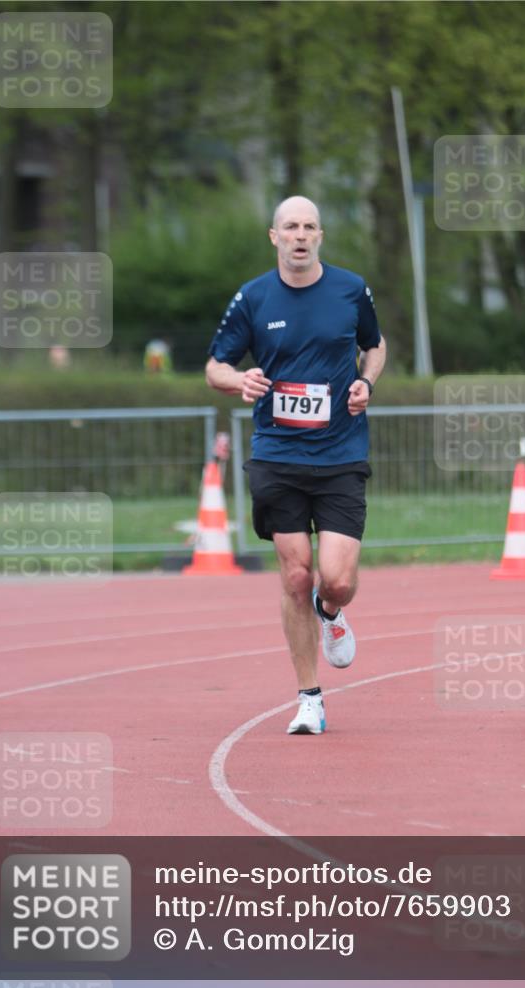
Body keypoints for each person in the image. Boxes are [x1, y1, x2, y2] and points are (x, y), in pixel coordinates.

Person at [205, 196, 386, 734]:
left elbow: (374, 347)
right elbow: (215, 366)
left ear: (320, 236)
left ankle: (329, 614)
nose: (300, 236)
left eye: (309, 227)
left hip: (340, 453)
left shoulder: (351, 289)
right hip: (278, 455)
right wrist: (240, 380)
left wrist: (365, 383)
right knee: (294, 576)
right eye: (291, 227)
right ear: (274, 236)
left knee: (334, 578)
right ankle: (309, 697)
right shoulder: (254, 297)